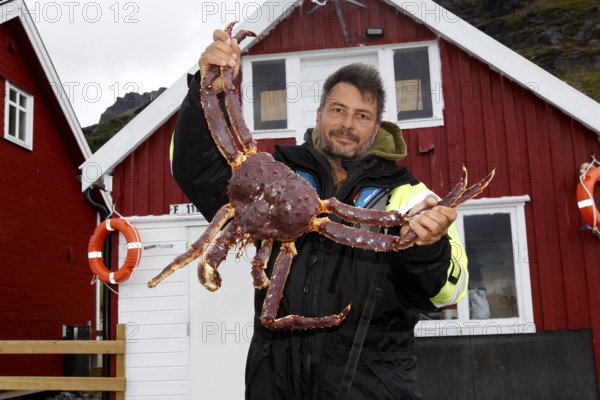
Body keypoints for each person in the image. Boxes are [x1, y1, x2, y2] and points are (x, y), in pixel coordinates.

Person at [171, 29, 468, 400]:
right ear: (319, 114)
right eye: (338, 110)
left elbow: (446, 293)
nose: (347, 124)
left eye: (362, 116)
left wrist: (428, 247)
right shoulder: (274, 172)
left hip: (372, 386)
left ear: (377, 129)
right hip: (275, 383)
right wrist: (208, 86)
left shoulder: (411, 197)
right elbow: (198, 171)